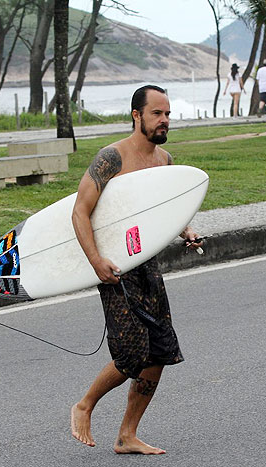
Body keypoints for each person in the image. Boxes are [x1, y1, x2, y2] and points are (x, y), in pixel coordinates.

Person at [70, 85, 202, 455]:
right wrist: (96, 262)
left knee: (159, 351)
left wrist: (186, 230)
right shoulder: (111, 158)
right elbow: (79, 212)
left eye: (168, 114)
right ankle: (85, 405)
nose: (165, 121)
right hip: (114, 267)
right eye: (157, 114)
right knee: (131, 355)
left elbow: (164, 214)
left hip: (147, 264)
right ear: (136, 115)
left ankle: (127, 435)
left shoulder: (165, 161)